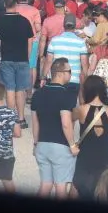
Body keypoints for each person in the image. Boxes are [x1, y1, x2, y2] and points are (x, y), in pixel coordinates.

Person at [32, 56, 80, 200]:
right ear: (61, 73)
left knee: (45, 185)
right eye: (70, 71)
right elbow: (66, 122)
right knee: (60, 187)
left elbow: (35, 122)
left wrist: (35, 144)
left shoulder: (37, 94)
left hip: (42, 144)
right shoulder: (67, 95)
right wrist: (72, 145)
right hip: (60, 146)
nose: (71, 74)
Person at [72, 75, 108, 201]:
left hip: (86, 156)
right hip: (107, 155)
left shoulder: (81, 110)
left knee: (81, 188)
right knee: (106, 192)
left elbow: (67, 122)